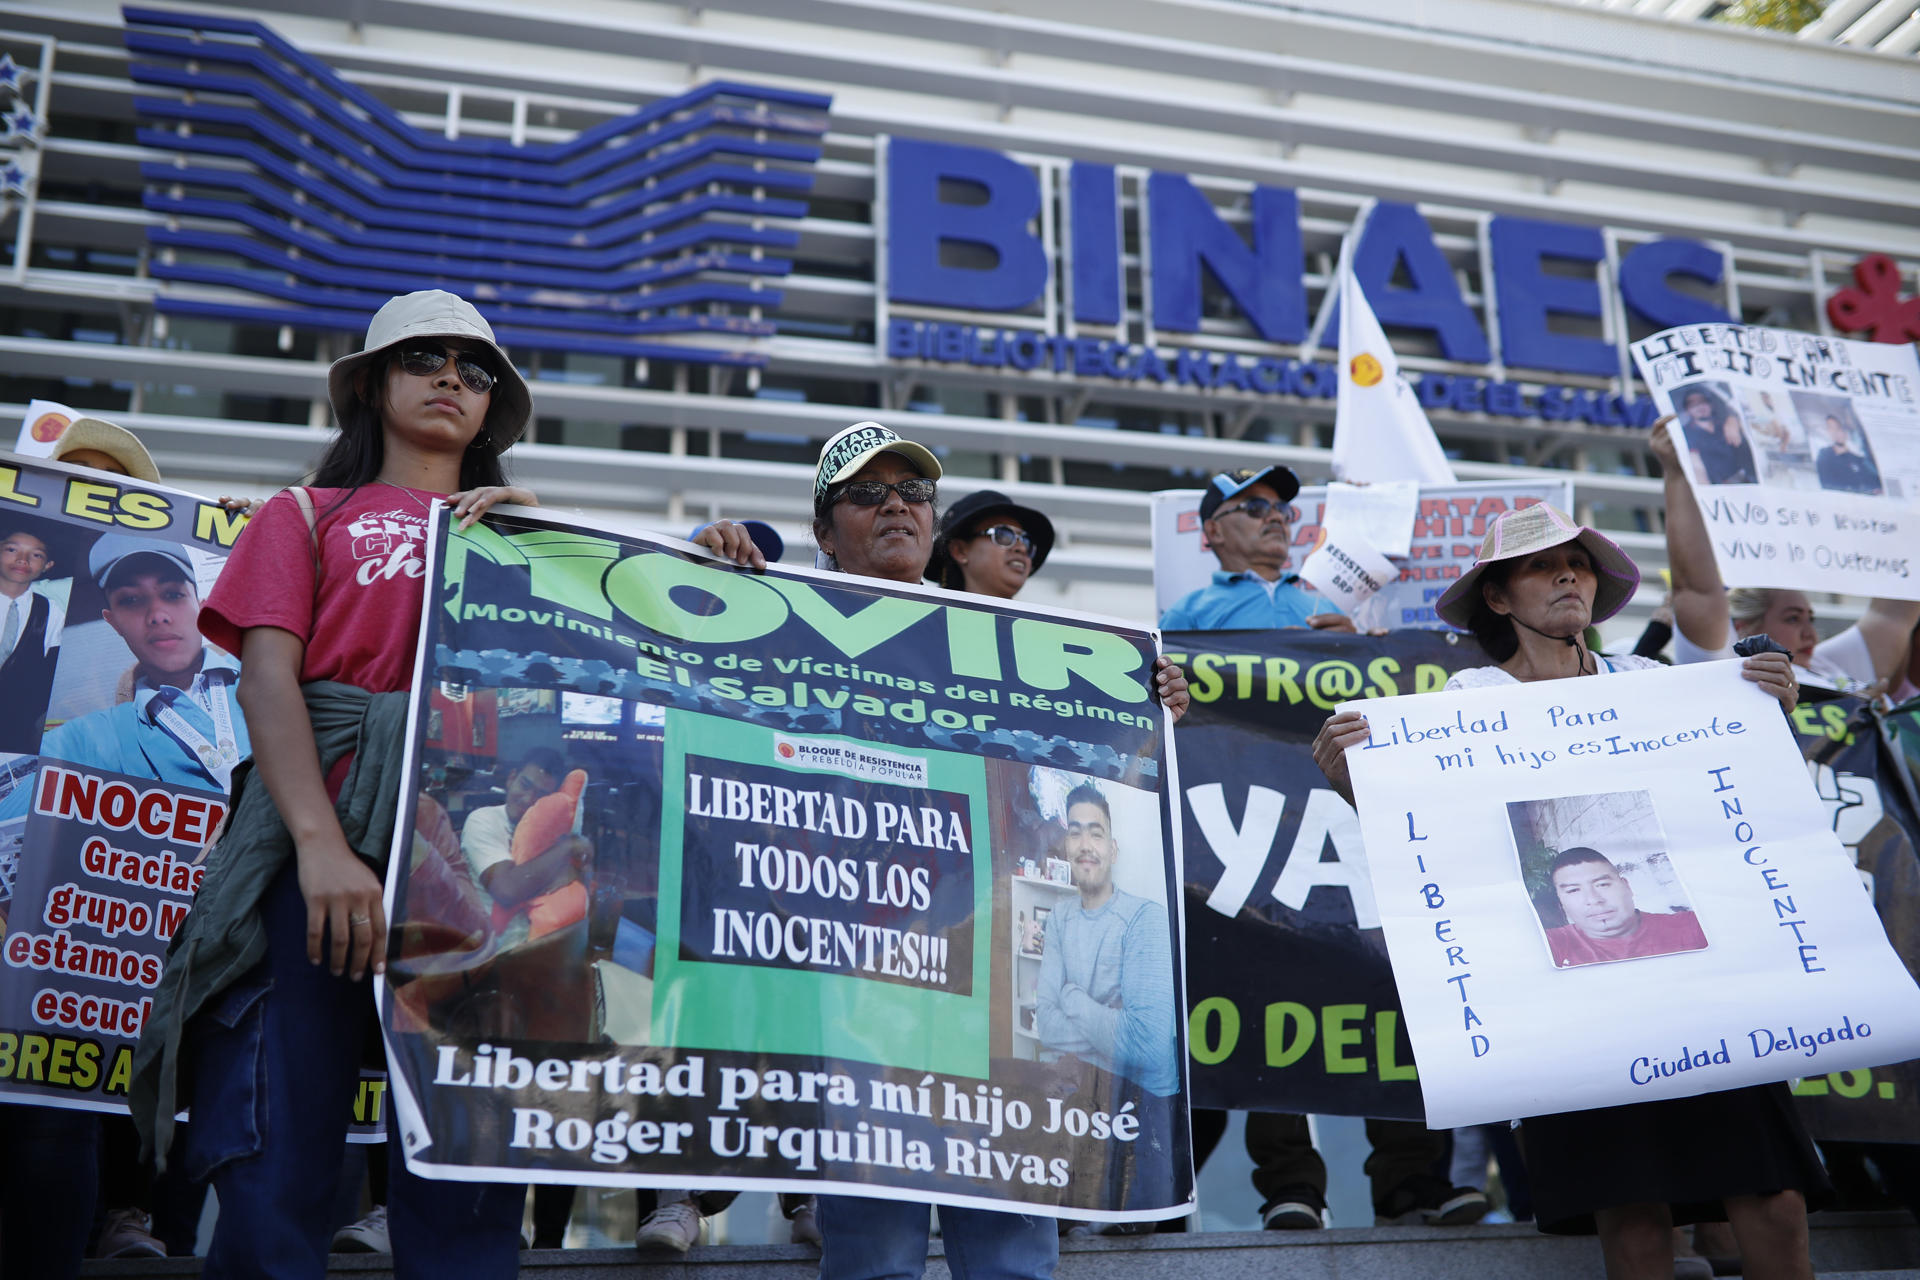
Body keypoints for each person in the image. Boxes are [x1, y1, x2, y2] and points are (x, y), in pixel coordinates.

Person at [694, 420, 1188, 1279]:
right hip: (860, 993)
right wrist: (693, 570)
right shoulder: (767, 619)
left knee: (1011, 1258)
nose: (896, 506)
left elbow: (1078, 786)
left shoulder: (1009, 646)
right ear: (822, 533)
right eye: (866, 493)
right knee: (876, 1254)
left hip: (996, 991)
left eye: (914, 492)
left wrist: (1146, 710)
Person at [125, 289, 543, 1280]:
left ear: (494, 406)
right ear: (369, 384)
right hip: (313, 854)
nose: (452, 377)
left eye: (475, 369)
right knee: (275, 1154)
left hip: (469, 867)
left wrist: (579, 546)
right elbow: (270, 676)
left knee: (467, 1167)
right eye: (425, 358)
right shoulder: (303, 513)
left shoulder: (531, 539)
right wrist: (319, 846)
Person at [1312, 501, 1821, 1280]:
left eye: (1579, 563)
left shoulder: (1652, 683)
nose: (1567, 575)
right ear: (1498, 597)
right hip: (1573, 1007)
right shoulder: (1462, 709)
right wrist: (1358, 786)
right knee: (1635, 1223)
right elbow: (1431, 845)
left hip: (1700, 989)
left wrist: (1770, 716)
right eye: (1540, 565)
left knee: (1775, 1204)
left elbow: (1737, 804)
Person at [1651, 419, 1920, 696]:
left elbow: (1896, 610)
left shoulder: (1828, 667)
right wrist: (1678, 473)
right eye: (1792, 619)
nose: (1810, 635)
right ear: (1743, 628)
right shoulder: (1727, 669)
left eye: (1809, 619)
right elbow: (1696, 591)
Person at [1034, 783, 1178, 1217]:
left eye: (1095, 833)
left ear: (1113, 849)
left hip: (1140, 1113)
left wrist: (1073, 1000)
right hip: (1082, 1106)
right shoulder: (1058, 918)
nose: (1085, 845)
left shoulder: (1144, 918)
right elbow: (1045, 1024)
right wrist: (1111, 1025)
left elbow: (1149, 1047)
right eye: (1075, 832)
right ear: (1065, 846)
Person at [1159, 465, 1354, 632]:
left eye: (1283, 510)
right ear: (1215, 530)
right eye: (1257, 507)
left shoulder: (1328, 613)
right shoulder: (1187, 615)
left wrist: (1363, 651)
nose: (1277, 517)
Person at [1541, 847, 1707, 968]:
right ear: (1561, 903)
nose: (1593, 899)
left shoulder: (1694, 926)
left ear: (1627, 886)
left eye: (1603, 884)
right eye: (1573, 890)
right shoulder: (1549, 945)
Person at [0, 519, 63, 753]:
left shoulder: (51, 612)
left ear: (48, 565)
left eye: (35, 555)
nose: (22, 559)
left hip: (11, 730)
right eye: (12, 549)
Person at [927, 489, 1055, 599]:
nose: (1021, 548)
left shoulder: (1045, 627)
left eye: (1026, 541)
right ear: (960, 551)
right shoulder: (930, 625)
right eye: (1003, 535)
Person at [1674, 386, 1757, 486]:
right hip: (1722, 487)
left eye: (1702, 401)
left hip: (1748, 479)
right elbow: (1697, 467)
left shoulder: (1724, 424)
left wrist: (1733, 419)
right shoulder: (1687, 434)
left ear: (1711, 405)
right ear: (1687, 410)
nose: (1700, 406)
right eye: (1693, 404)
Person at [1813, 414, 1882, 496]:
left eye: (1838, 428)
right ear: (1828, 432)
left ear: (1845, 432)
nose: (1835, 432)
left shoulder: (1858, 459)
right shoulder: (1824, 455)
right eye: (1830, 428)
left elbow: (1874, 482)